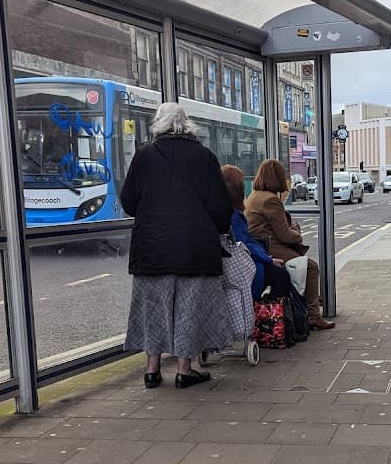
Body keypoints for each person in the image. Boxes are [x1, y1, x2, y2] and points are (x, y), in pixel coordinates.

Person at [120, 102, 234, 390]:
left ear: (158, 124)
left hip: (152, 247)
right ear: (187, 124)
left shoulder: (144, 155)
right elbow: (222, 208)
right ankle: (185, 370)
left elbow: (128, 202)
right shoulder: (205, 157)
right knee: (188, 308)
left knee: (153, 308)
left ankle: (151, 369)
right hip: (194, 248)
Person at [246, 159, 335, 330]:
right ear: (277, 177)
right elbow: (284, 235)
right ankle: (313, 316)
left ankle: (311, 301)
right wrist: (297, 234)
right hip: (270, 247)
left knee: (303, 265)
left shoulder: (255, 195)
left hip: (261, 245)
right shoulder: (270, 200)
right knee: (311, 267)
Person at [220, 164, 293, 300]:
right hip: (245, 263)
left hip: (249, 256)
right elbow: (243, 244)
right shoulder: (232, 214)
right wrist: (268, 259)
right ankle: (272, 314)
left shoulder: (237, 206)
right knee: (286, 274)